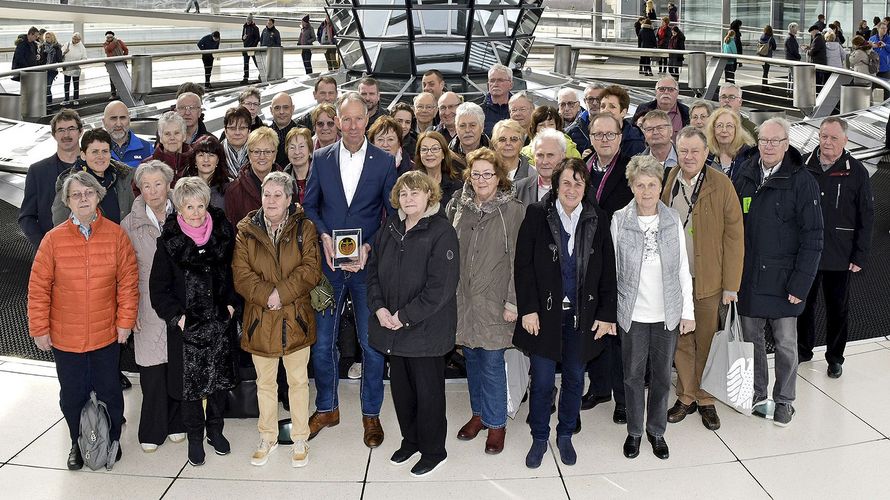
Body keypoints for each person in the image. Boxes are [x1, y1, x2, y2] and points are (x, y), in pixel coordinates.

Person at [302, 92, 397, 449]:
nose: (354, 126)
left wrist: (370, 245)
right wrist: (324, 235)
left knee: (371, 345)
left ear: (367, 120)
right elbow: (310, 205)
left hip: (366, 269)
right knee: (322, 343)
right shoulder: (322, 158)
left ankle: (370, 413)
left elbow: (392, 215)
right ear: (338, 122)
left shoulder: (384, 161)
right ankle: (327, 407)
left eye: (360, 119)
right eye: (347, 119)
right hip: (328, 268)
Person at [28, 170, 138, 470]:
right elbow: (38, 288)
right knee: (72, 395)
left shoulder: (116, 235)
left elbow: (128, 283)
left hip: (106, 334)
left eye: (89, 193)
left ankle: (112, 440)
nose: (83, 198)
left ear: (98, 196)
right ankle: (77, 443)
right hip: (66, 337)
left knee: (110, 392)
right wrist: (39, 328)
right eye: (76, 194)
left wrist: (125, 322)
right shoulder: (52, 240)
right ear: (67, 201)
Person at [515, 158, 617, 468]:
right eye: (566, 183)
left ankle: (565, 434)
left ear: (585, 187)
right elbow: (523, 267)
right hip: (543, 316)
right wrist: (528, 310)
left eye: (578, 183)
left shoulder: (597, 218)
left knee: (575, 378)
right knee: (543, 381)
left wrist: (606, 314)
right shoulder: (536, 215)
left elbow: (607, 272)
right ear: (556, 186)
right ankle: (539, 436)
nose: (571, 188)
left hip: (582, 317)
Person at [367, 170, 459, 477]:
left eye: (415, 193)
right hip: (392, 329)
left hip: (425, 330)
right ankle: (411, 441)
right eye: (404, 194)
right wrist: (379, 308)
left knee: (428, 394)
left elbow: (440, 288)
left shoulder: (441, 231)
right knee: (402, 392)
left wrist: (404, 317)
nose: (409, 199)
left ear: (429, 196)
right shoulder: (389, 228)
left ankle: (434, 450)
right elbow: (373, 274)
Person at [733, 118, 823, 427]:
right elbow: (732, 230)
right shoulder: (743, 175)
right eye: (764, 140)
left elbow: (814, 237)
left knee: (785, 344)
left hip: (786, 280)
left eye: (776, 141)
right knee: (751, 341)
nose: (769, 146)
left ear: (786, 144)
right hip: (748, 277)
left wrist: (801, 283)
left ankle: (785, 400)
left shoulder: (803, 181)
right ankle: (759, 395)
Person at [232, 171, 321, 468]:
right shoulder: (246, 230)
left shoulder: (304, 228)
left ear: (289, 199)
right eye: (266, 194)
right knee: (265, 383)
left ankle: (299, 438)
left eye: (277, 195)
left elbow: (310, 270)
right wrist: (267, 296)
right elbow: (241, 275)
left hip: (295, 317)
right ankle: (267, 436)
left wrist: (279, 294)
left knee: (298, 382)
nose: (270, 200)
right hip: (260, 318)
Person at [150, 177, 238, 466]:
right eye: (190, 207)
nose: (198, 212)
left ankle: (215, 430)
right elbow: (158, 289)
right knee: (190, 389)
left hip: (218, 326)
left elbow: (235, 276)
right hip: (186, 331)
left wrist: (230, 307)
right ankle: (195, 438)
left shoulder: (224, 234)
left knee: (217, 383)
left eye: (201, 205)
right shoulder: (169, 242)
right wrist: (179, 318)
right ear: (179, 209)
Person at [661, 127, 743, 432]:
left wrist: (731, 285)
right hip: (676, 280)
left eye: (695, 151)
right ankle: (686, 394)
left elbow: (735, 238)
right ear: (677, 151)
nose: (689, 157)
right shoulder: (670, 180)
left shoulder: (721, 185)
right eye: (684, 151)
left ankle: (706, 398)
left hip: (709, 280)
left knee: (707, 340)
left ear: (706, 152)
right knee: (682, 341)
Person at [612, 155, 694, 460]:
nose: (646, 191)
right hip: (633, 314)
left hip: (667, 314)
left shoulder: (672, 219)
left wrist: (688, 312)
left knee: (661, 375)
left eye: (652, 184)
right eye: (640, 185)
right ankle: (634, 431)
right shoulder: (619, 220)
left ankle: (656, 431)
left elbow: (683, 268)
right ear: (632, 187)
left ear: (661, 187)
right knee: (632, 377)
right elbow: (614, 272)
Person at [446, 148, 523, 456]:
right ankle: (478, 414)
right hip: (464, 302)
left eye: (487, 174)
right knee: (473, 361)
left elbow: (520, 261)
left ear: (499, 176)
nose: (481, 180)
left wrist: (513, 302)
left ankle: (496, 424)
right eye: (475, 174)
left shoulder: (513, 211)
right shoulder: (458, 207)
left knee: (492, 364)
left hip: (495, 301)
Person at [797, 118, 873, 378]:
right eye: (823, 136)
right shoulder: (803, 165)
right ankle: (803, 349)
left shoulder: (857, 171)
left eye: (833, 138)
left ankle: (835, 357)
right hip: (806, 251)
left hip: (839, 254)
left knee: (837, 308)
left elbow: (867, 215)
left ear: (845, 141)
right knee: (803, 303)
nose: (827, 142)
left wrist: (860, 254)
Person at [120, 160, 185, 453]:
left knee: (177, 365)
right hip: (146, 303)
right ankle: (152, 428)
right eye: (146, 185)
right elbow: (124, 272)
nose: (153, 190)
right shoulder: (129, 224)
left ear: (168, 184)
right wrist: (128, 310)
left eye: (158, 184)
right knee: (151, 369)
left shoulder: (185, 213)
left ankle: (177, 422)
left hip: (179, 302)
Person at [578, 113, 633, 417]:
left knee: (620, 332)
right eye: (598, 135)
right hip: (590, 259)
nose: (604, 140)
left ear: (620, 137)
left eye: (610, 135)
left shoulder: (629, 169)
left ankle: (623, 399)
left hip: (622, 257)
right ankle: (599, 389)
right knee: (594, 325)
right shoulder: (583, 169)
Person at [19, 109, 82, 247]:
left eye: (71, 128)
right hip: (52, 251)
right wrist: (44, 245)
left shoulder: (94, 167)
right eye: (61, 130)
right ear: (54, 135)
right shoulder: (37, 171)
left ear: (80, 131)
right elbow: (26, 217)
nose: (66, 134)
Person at [52, 128, 136, 225]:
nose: (100, 156)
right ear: (83, 155)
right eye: (95, 152)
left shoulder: (122, 178)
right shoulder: (70, 186)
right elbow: (60, 227)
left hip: (121, 239)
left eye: (105, 151)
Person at [225, 127, 283, 228]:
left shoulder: (288, 185)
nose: (262, 157)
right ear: (249, 154)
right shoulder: (234, 190)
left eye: (268, 152)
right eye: (256, 152)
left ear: (275, 154)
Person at [514, 129, 566, 205]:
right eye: (540, 155)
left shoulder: (575, 188)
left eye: (550, 155)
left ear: (563, 156)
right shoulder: (519, 188)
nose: (545, 162)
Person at [705, 107, 755, 181]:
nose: (724, 130)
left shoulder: (749, 155)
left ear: (736, 130)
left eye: (729, 126)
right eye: (719, 126)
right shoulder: (706, 155)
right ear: (713, 130)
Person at [415, 130, 463, 204]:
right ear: (419, 154)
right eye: (424, 149)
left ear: (443, 154)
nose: (429, 153)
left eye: (435, 149)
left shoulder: (456, 186)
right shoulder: (412, 183)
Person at [102, 101, 154, 168]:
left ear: (129, 120)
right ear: (104, 122)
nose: (118, 124)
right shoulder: (95, 150)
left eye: (122, 118)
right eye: (113, 118)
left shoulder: (147, 149)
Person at [598, 85, 646, 157]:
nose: (605, 110)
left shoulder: (634, 142)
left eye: (612, 106)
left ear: (623, 112)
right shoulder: (596, 134)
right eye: (603, 106)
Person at [184, 135, 230, 209]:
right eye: (201, 155)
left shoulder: (229, 188)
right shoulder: (184, 187)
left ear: (218, 160)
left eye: (211, 155)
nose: (206, 160)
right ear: (195, 160)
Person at [145, 111, 192, 183]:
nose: (172, 138)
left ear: (184, 136)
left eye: (176, 133)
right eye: (167, 134)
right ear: (160, 138)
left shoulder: (195, 163)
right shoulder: (146, 166)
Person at [449, 102, 490, 171]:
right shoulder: (445, 157)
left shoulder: (495, 155)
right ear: (456, 128)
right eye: (462, 126)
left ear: (482, 127)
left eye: (472, 125)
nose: (467, 130)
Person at [565, 83, 605, 153]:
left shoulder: (616, 127)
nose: (595, 103)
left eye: (598, 99)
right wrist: (580, 159)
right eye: (590, 99)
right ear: (585, 101)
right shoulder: (573, 131)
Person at [282, 127, 313, 204]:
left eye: (301, 146)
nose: (297, 152)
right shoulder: (282, 180)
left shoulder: (322, 174)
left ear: (309, 150)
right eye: (292, 147)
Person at [221, 106, 252, 178]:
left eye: (242, 128)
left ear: (249, 131)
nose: (237, 133)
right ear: (225, 131)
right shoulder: (216, 153)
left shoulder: (258, 153)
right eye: (232, 128)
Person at [482, 64, 513, 136]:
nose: (495, 84)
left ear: (511, 85)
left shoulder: (520, 109)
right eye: (492, 80)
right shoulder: (479, 111)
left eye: (500, 80)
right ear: (488, 85)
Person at [269, 92, 298, 168]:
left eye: (286, 107)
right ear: (271, 110)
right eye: (277, 108)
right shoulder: (263, 135)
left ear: (292, 109)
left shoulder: (303, 134)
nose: (281, 112)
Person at [61, 32, 87, 105]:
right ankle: (66, 99)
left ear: (79, 40)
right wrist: (64, 52)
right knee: (66, 84)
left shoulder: (81, 47)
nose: (75, 41)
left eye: (77, 39)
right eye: (74, 39)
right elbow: (60, 54)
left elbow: (85, 57)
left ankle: (76, 99)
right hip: (67, 67)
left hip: (76, 67)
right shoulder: (67, 44)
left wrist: (79, 62)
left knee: (76, 84)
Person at [103, 31, 128, 100]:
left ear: (113, 36)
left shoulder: (119, 41)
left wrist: (123, 57)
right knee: (112, 79)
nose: (109, 38)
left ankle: (124, 93)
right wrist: (114, 42)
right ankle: (113, 94)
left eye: (110, 37)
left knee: (122, 78)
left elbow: (126, 49)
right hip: (111, 64)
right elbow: (109, 49)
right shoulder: (105, 44)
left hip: (121, 62)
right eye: (108, 37)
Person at [869, 22, 890, 98]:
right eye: (882, 28)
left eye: (886, 28)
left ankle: (887, 106)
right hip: (874, 67)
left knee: (887, 88)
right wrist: (871, 46)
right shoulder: (872, 38)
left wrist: (885, 45)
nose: (885, 30)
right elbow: (868, 51)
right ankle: (869, 104)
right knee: (872, 87)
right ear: (878, 29)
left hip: (885, 67)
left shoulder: (889, 38)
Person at [42, 32, 62, 105]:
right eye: (46, 37)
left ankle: (49, 103)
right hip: (43, 69)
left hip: (52, 70)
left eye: (49, 37)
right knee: (44, 88)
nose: (47, 39)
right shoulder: (43, 46)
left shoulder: (57, 47)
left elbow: (59, 59)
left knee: (47, 87)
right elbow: (41, 59)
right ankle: (45, 103)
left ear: (52, 38)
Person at [241, 13, 260, 84]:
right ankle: (245, 78)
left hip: (252, 49)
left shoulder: (255, 28)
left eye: (249, 20)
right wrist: (243, 38)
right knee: (246, 64)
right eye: (247, 20)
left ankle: (262, 75)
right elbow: (242, 38)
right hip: (245, 49)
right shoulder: (244, 27)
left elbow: (258, 38)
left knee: (257, 63)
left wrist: (253, 46)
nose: (248, 21)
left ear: (252, 20)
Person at [808, 25, 828, 90]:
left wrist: (807, 51)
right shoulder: (820, 37)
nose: (811, 34)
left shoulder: (817, 39)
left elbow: (813, 51)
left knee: (817, 82)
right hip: (820, 63)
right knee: (818, 82)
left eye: (811, 32)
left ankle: (817, 95)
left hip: (818, 63)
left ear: (814, 30)